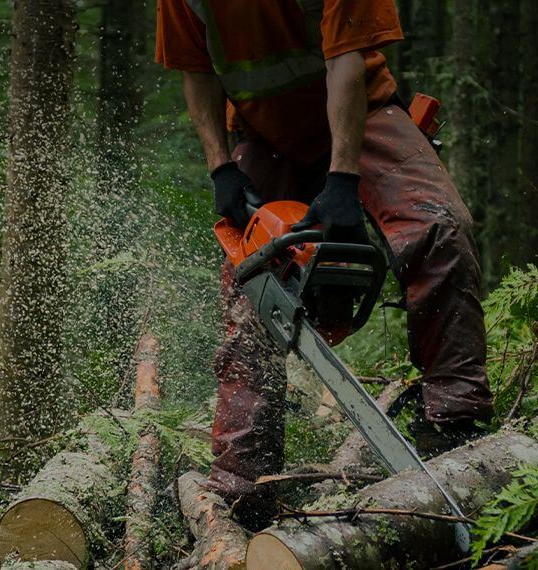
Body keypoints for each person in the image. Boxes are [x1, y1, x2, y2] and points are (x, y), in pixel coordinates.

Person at [156, 0, 495, 529]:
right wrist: (220, 166)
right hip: (263, 130)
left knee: (437, 226)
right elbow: (195, 69)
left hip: (367, 106)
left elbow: (346, 61)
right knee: (252, 281)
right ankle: (244, 482)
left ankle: (454, 421)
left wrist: (341, 179)